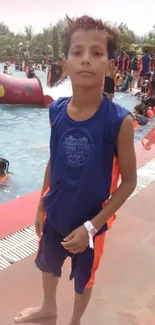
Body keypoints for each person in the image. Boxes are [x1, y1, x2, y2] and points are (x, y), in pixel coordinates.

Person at [15, 15, 137, 324]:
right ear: (65, 63)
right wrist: (42, 205)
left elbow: (128, 183)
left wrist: (92, 227)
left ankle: (74, 321)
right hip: (57, 213)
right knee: (47, 264)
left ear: (110, 65)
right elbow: (53, 160)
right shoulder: (56, 111)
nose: (86, 60)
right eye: (77, 52)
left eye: (97, 53)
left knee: (85, 278)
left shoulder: (118, 121)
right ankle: (48, 306)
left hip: (91, 222)